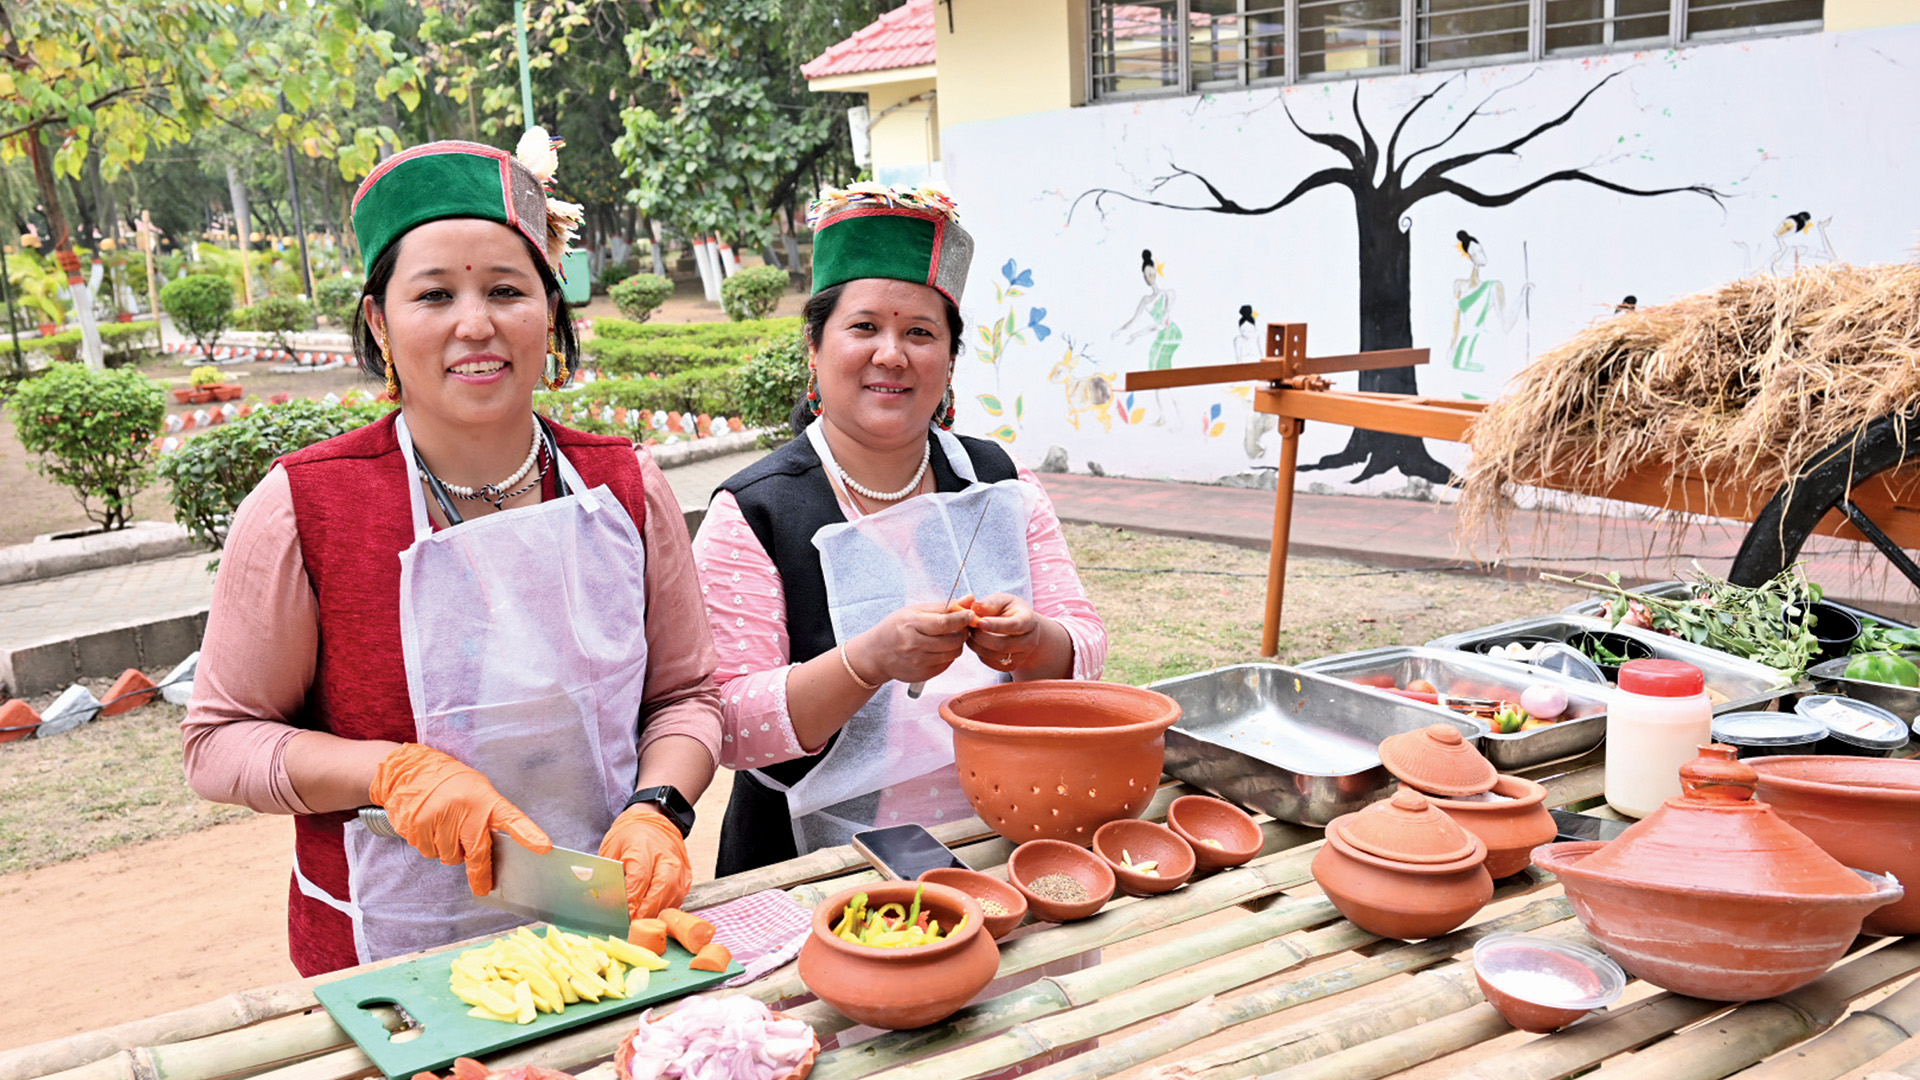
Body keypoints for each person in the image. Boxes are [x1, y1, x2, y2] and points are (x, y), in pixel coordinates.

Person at [182, 131, 723, 976]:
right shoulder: (303, 508)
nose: (477, 324)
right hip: (390, 962)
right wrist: (389, 773)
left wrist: (659, 806)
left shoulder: (626, 487)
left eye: (507, 290)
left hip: (612, 931)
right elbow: (219, 742)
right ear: (379, 321)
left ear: (551, 310)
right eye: (434, 294)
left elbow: (686, 697)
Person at [692, 184, 1109, 874]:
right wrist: (868, 662)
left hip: (1006, 833)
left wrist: (1034, 641)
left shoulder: (999, 482)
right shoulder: (754, 511)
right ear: (814, 346)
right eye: (864, 327)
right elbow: (728, 720)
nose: (892, 354)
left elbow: (1086, 644)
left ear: (949, 358)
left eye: (920, 332)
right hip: (814, 865)